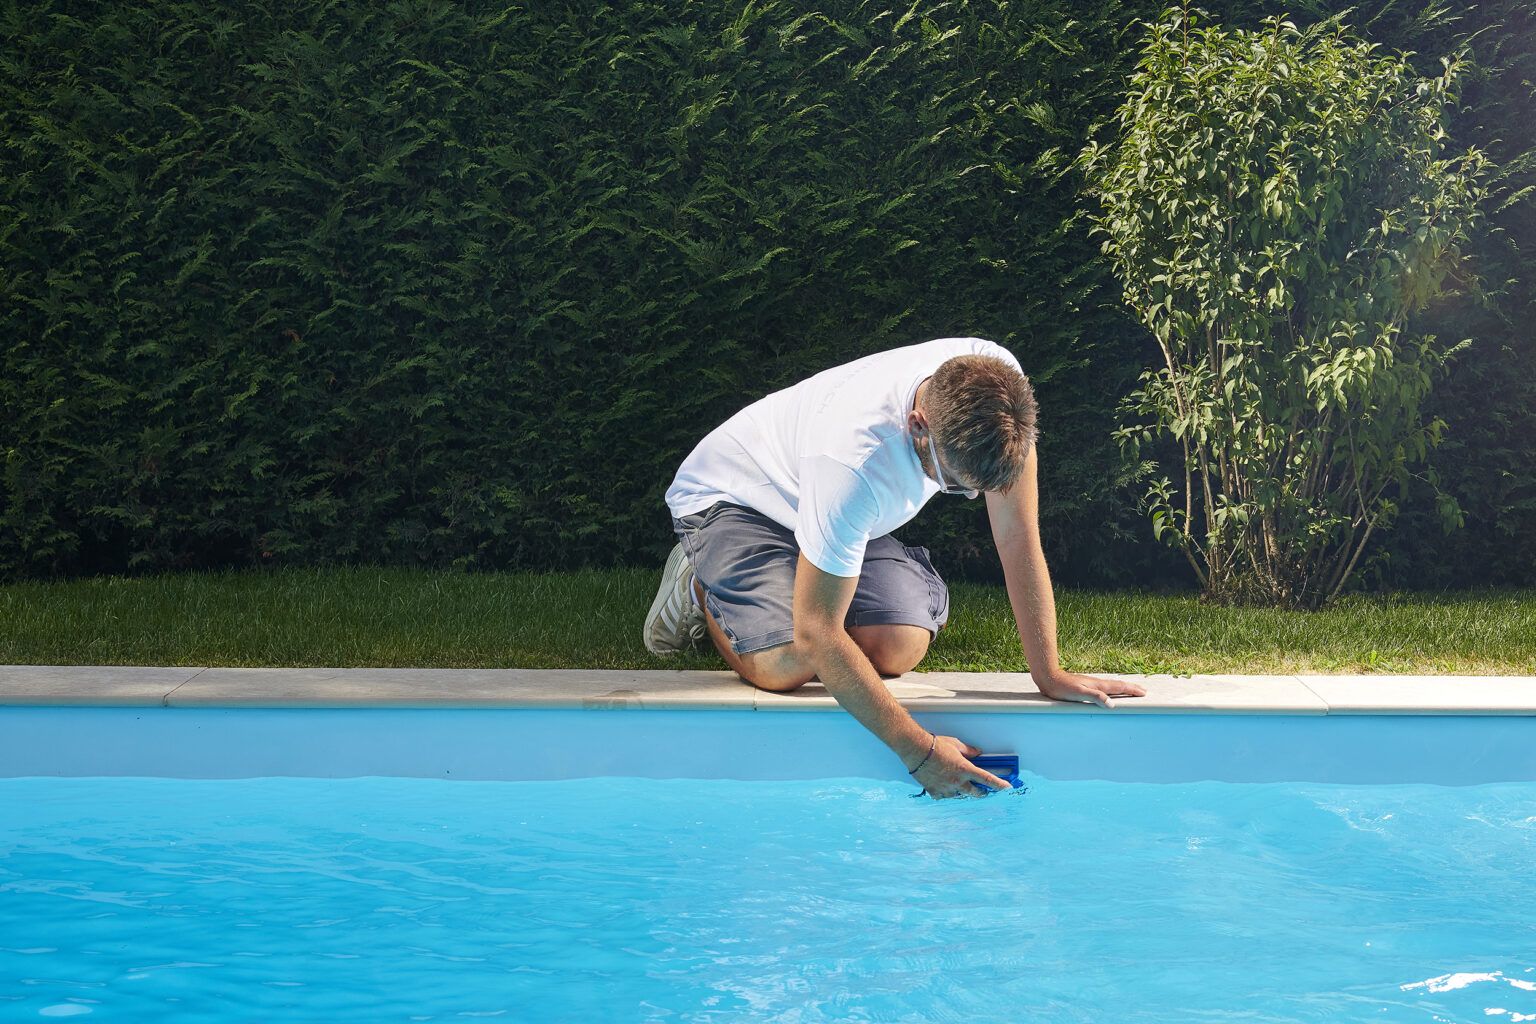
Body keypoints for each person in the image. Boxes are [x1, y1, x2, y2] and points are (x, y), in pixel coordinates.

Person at [643, 337, 1145, 799]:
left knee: (899, 645)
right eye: (955, 485)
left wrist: (1049, 673)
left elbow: (1017, 536)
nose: (971, 497)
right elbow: (819, 632)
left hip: (830, 509)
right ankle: (700, 584)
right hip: (738, 501)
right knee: (788, 661)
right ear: (918, 425)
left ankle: (804, 569)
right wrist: (920, 752)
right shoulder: (854, 460)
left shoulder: (1001, 396)